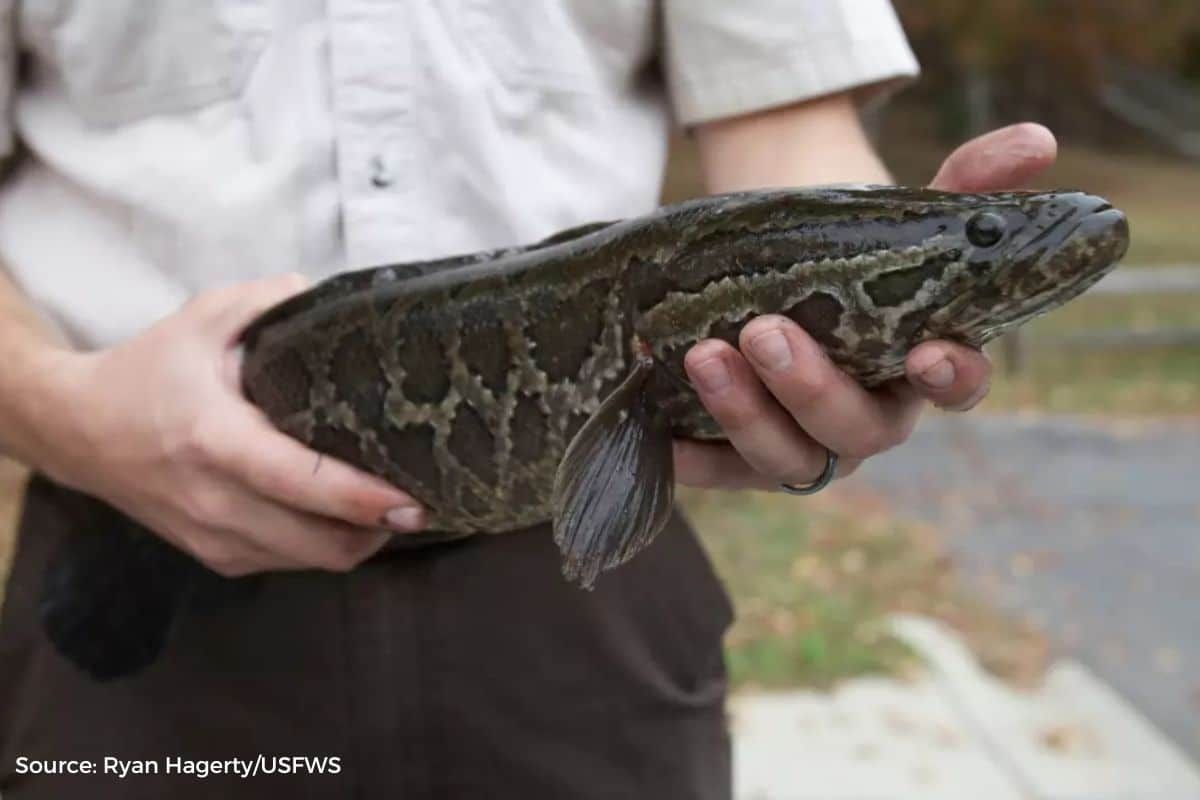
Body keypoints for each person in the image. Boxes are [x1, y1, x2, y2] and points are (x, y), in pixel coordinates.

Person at [0, 2, 1056, 797]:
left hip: (582, 577)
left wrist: (901, 244)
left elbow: (785, 123)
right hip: (129, 565)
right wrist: (64, 406)